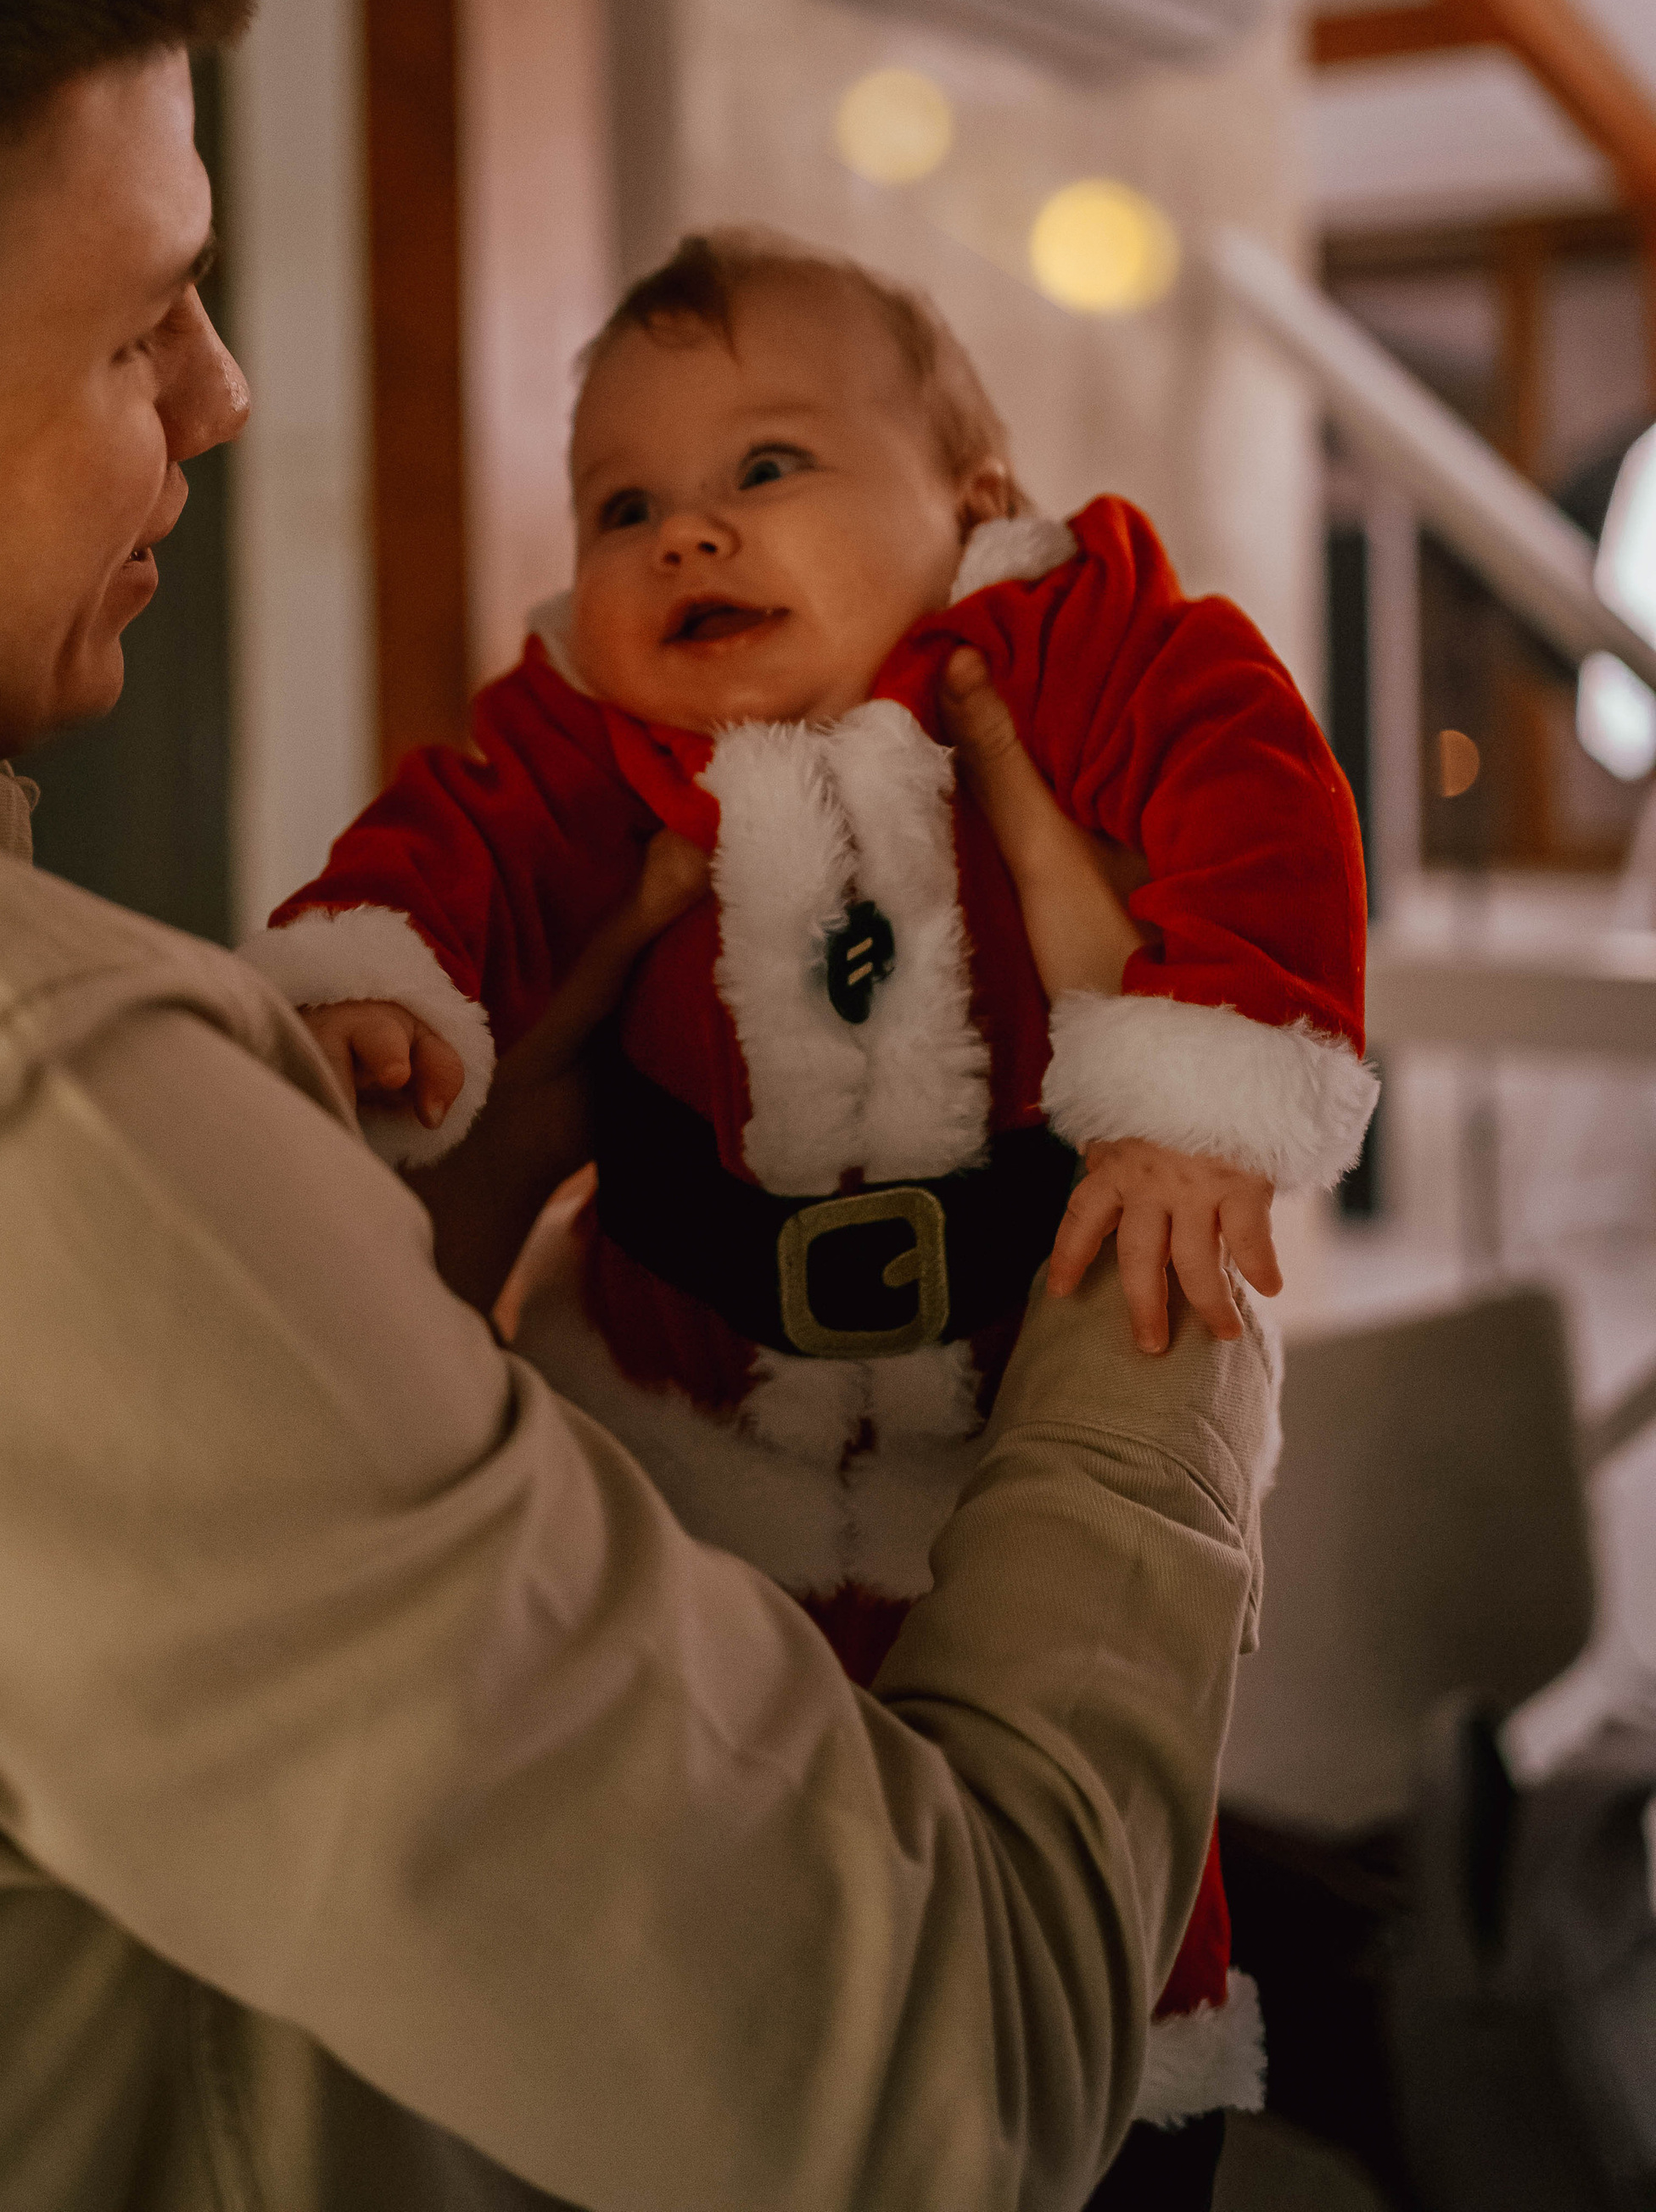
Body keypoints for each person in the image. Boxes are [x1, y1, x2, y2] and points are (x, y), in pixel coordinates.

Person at [0, 0, 1275, 2212]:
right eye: (138, 327)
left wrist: (373, 1276)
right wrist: (1160, 1246)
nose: (221, 397)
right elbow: (942, 2079)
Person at [257, 232, 1378, 2187]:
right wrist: (376, 981)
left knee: (1102, 1934)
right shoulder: (584, 736)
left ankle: (1128, 2128)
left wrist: (1197, 1088)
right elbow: (453, 838)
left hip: (1003, 1446)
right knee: (706, 1887)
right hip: (682, 1453)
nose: (684, 535)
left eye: (765, 466)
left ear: (972, 497)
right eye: (623, 506)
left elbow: (1251, 774)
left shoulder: (1061, 643)